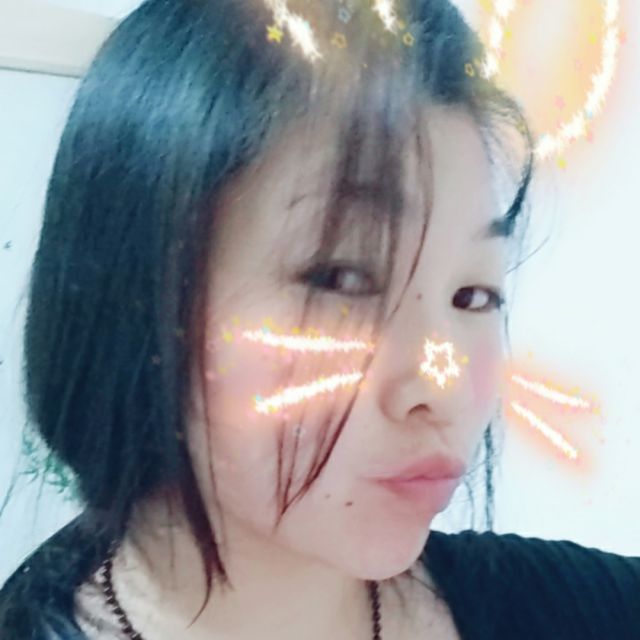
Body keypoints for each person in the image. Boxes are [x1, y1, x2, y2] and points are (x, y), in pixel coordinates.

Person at [1, 0, 639, 638]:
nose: (441, 387)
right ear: (135, 299)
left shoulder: (573, 610)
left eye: (474, 294)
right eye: (342, 280)